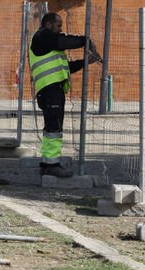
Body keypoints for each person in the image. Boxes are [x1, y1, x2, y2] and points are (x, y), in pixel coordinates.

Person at [28, 12, 100, 177]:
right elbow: (63, 41)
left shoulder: (49, 44)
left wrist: (84, 62)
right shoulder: (43, 36)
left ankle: (47, 163)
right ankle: (52, 165)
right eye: (58, 25)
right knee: (54, 126)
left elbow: (65, 67)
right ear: (48, 24)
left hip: (53, 89)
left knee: (51, 127)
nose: (61, 29)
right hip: (49, 90)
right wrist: (84, 41)